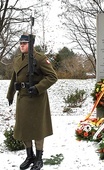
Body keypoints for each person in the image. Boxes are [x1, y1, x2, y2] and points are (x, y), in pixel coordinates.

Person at [6, 33, 58, 170]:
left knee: (37, 129)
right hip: (22, 98)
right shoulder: (18, 59)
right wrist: (10, 94)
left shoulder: (40, 59)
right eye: (20, 43)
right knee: (24, 128)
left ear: (31, 44)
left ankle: (39, 159)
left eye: (24, 43)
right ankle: (30, 156)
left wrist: (38, 88)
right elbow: (14, 78)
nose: (21, 45)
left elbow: (52, 76)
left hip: (37, 99)